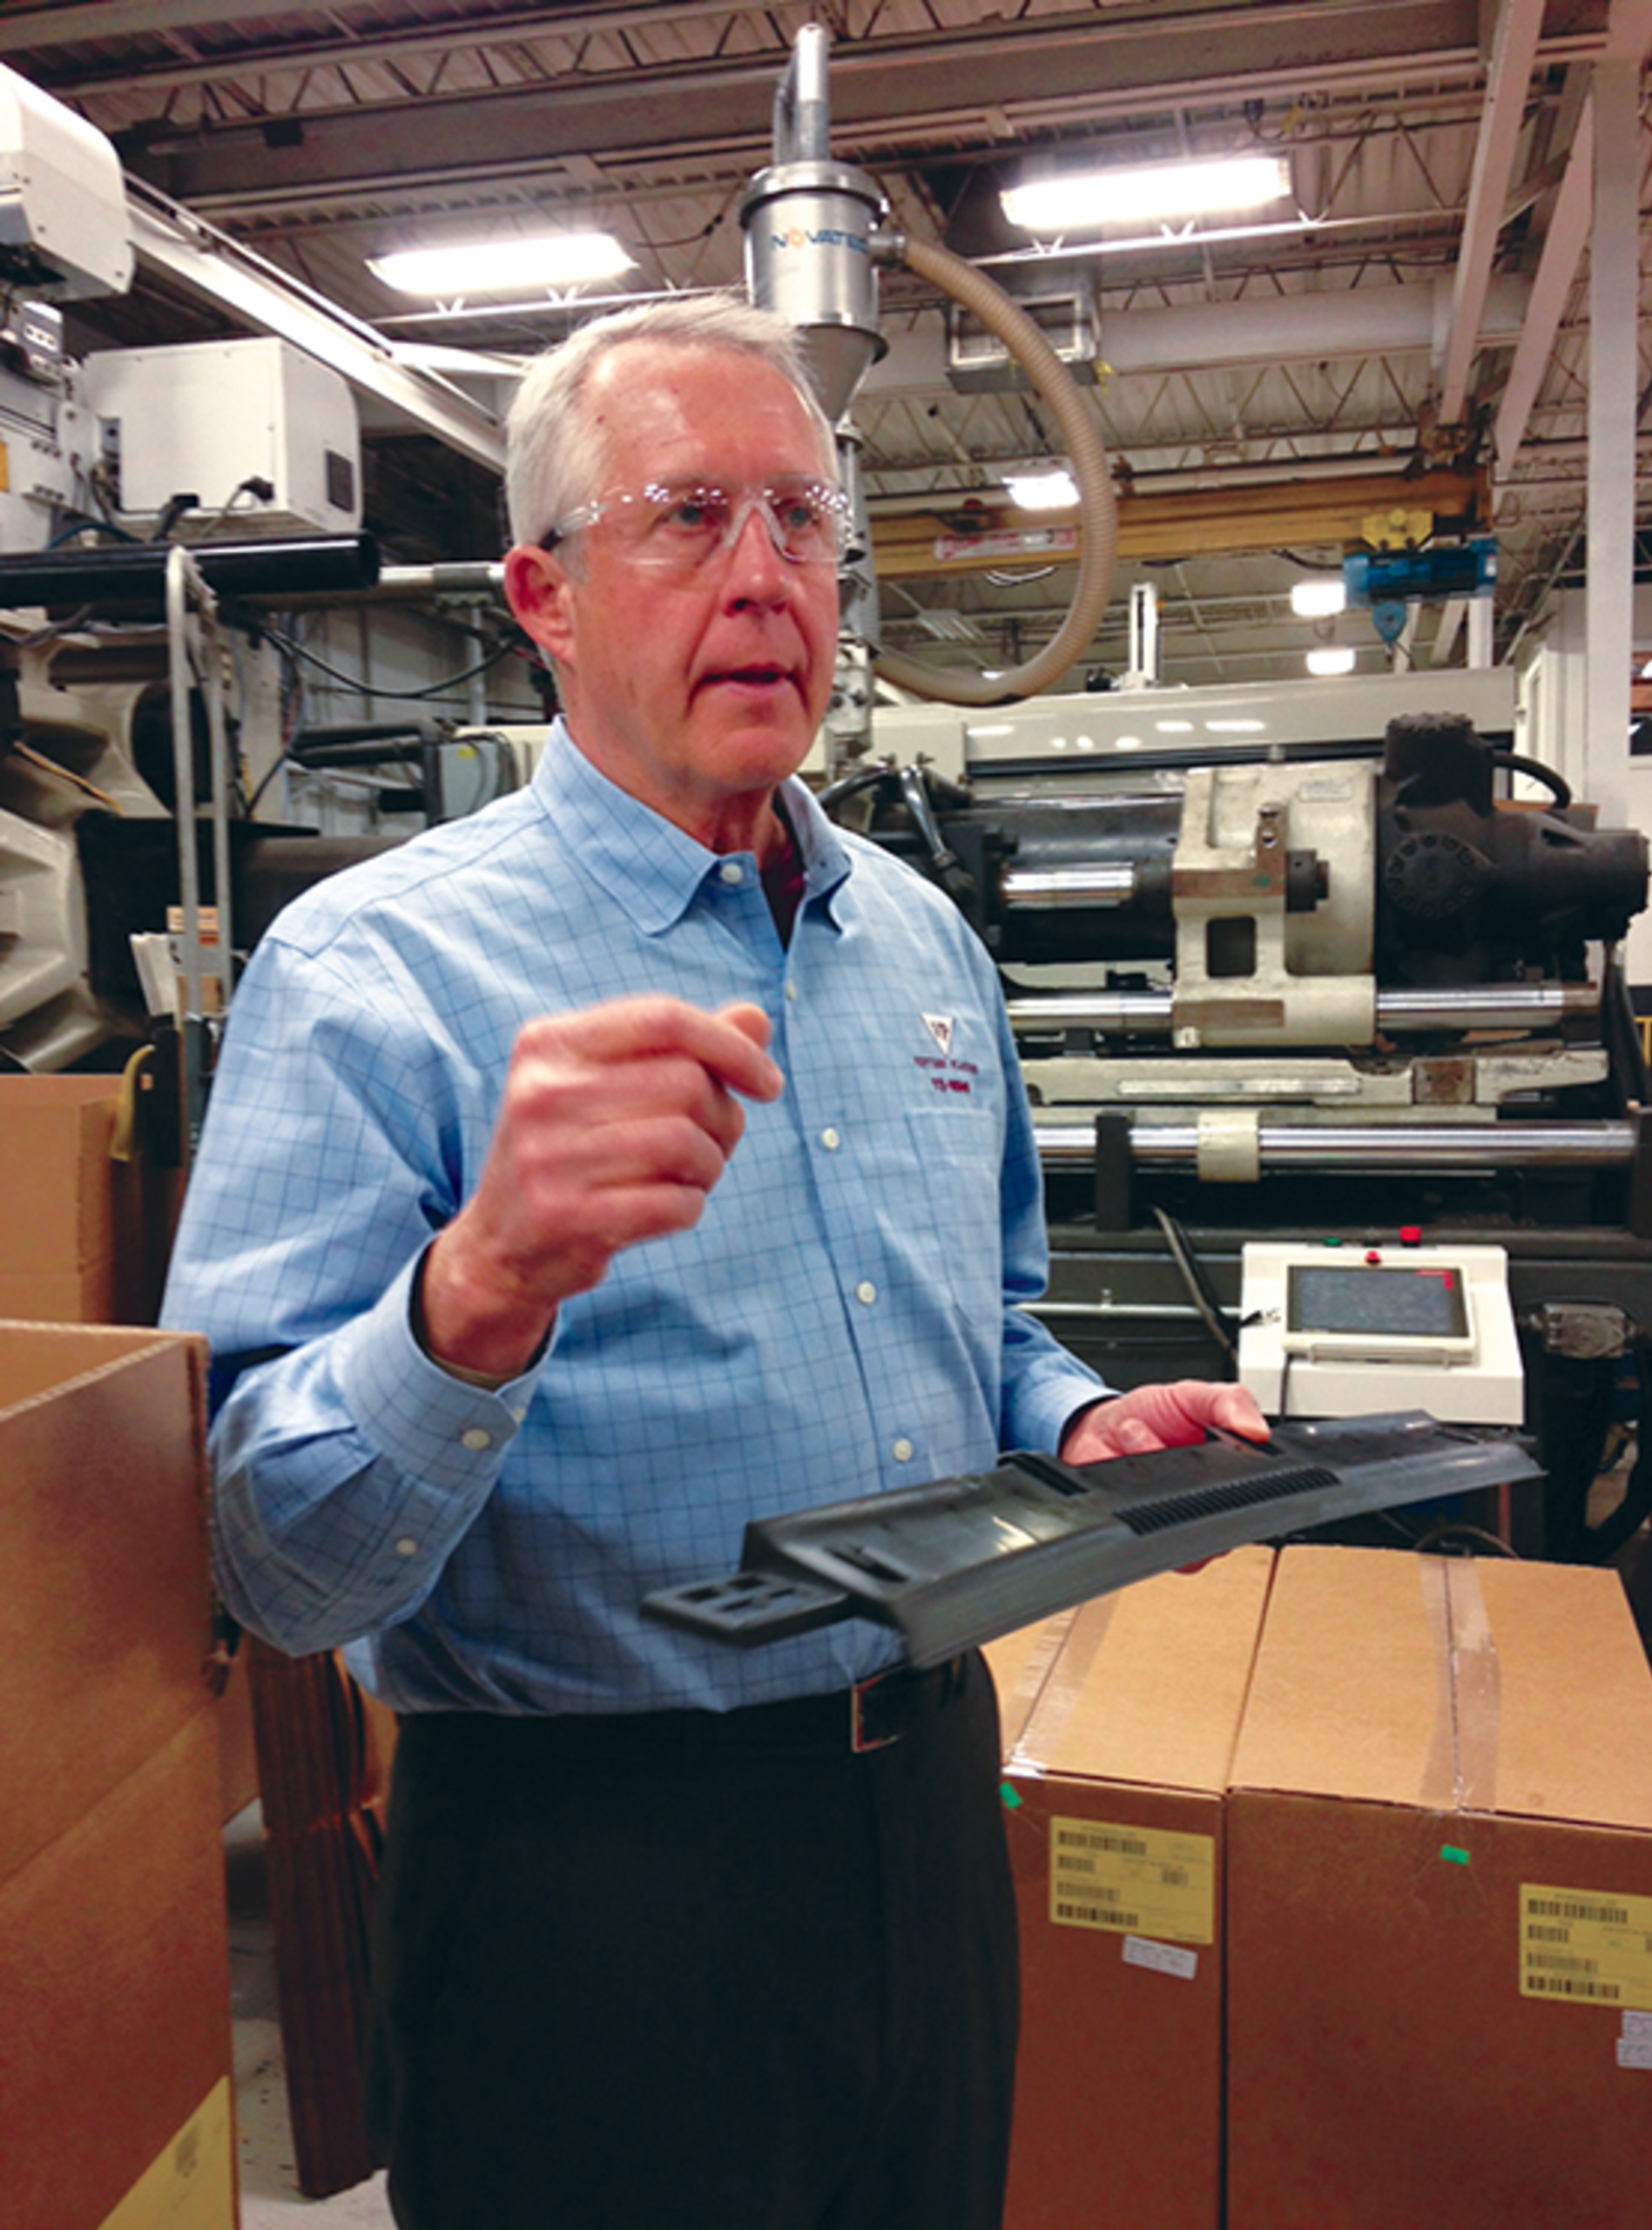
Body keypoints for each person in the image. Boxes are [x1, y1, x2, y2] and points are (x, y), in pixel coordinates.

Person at [163, 294, 1266, 2230]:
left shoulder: (918, 944)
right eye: (687, 516)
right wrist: (477, 1289)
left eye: (804, 520)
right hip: (591, 1885)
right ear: (546, 593)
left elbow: (984, 1328)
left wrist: (1075, 1423)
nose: (766, 577)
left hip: (927, 1809)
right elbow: (258, 1558)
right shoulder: (376, 976)